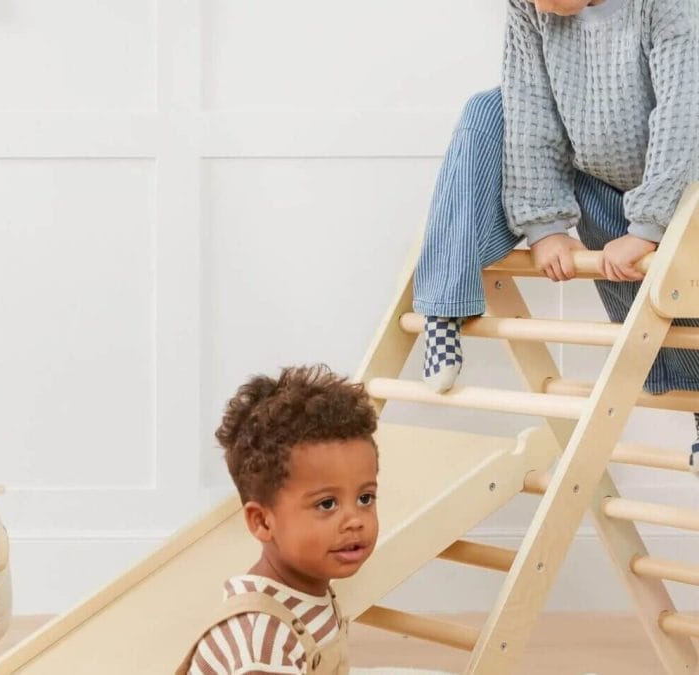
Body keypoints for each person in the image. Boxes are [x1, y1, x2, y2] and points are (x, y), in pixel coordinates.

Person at [414, 0, 699, 458]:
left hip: (680, 175)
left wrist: (649, 225)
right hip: (595, 176)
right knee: (487, 109)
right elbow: (530, 107)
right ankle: (444, 306)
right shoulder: (529, 8)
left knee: (680, 290)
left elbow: (682, 114)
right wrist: (545, 224)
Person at [178, 365, 379, 675]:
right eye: (327, 504)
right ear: (262, 521)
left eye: (365, 498)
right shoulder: (263, 638)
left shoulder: (308, 591)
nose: (355, 520)